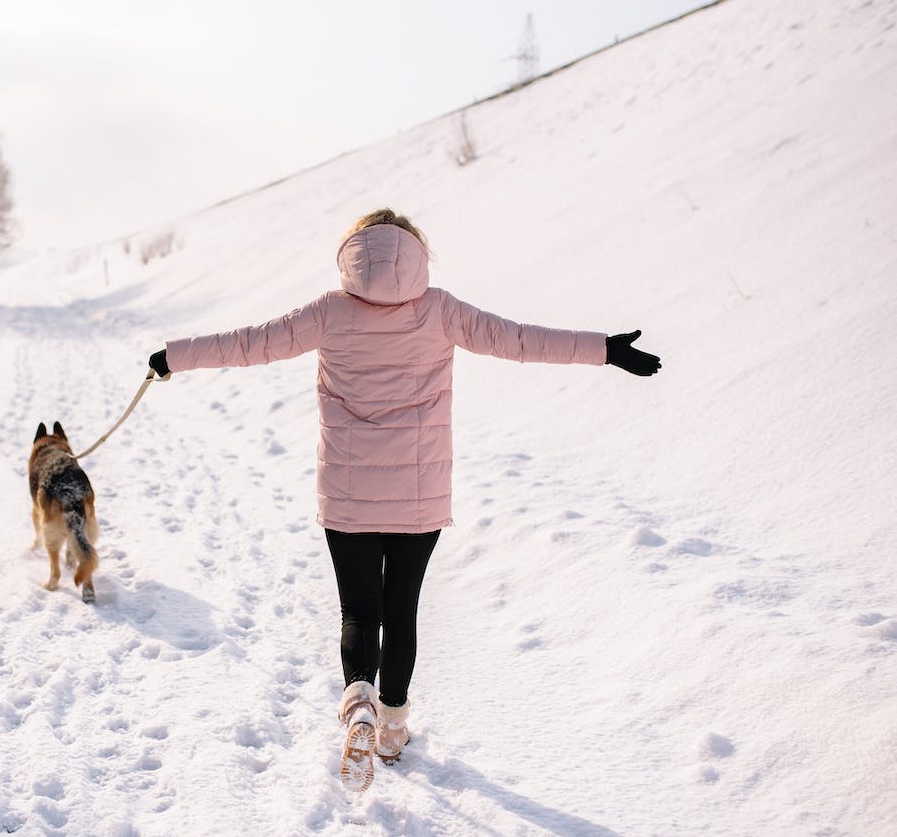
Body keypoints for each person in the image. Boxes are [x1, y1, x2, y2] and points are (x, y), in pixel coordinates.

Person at [147, 208, 660, 792]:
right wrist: (604, 349)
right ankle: (391, 729)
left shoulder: (328, 311)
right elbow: (520, 340)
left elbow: (247, 344)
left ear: (353, 254)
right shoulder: (440, 310)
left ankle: (358, 700)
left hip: (347, 494)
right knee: (402, 610)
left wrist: (173, 358)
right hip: (418, 498)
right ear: (416, 254)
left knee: (358, 611)